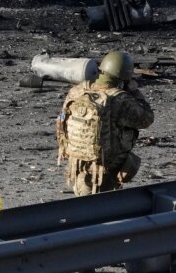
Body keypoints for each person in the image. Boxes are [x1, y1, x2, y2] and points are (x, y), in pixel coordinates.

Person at [57, 51, 153, 197]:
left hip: (78, 159)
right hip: (106, 166)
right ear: (124, 77)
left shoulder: (77, 91)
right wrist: (135, 92)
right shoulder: (120, 100)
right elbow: (147, 119)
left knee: (82, 199)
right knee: (104, 206)